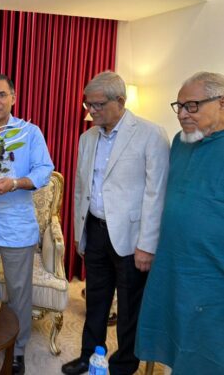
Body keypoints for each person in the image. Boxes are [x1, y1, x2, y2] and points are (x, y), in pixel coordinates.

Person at [62, 71, 170, 375]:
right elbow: (81, 188)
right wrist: (79, 233)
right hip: (95, 230)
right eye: (88, 104)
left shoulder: (151, 134)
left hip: (132, 238)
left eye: (98, 105)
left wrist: (147, 245)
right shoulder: (87, 137)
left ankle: (124, 364)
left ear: (120, 101)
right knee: (95, 300)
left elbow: (156, 194)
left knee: (129, 307)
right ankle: (88, 356)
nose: (91, 111)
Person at [135, 71, 224, 374]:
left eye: (192, 106)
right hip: (172, 263)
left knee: (204, 350)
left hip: (210, 274)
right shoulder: (180, 142)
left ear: (222, 103)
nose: (183, 114)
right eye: (179, 106)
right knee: (172, 337)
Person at [0, 73, 54, 375]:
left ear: (13, 97)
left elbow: (44, 169)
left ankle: (16, 350)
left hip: (17, 228)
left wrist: (15, 182)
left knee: (18, 292)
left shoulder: (30, 133)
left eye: (1, 95)